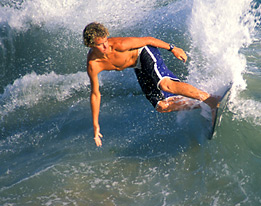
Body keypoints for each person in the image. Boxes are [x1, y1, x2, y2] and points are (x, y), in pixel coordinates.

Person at [83, 22, 219, 147]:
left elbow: (148, 40)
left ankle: (210, 100)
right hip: (138, 66)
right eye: (100, 44)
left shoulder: (119, 44)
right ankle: (202, 104)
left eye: (106, 41)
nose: (106, 46)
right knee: (161, 106)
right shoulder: (93, 65)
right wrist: (96, 125)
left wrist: (173, 48)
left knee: (165, 85)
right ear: (90, 45)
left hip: (144, 52)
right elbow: (95, 94)